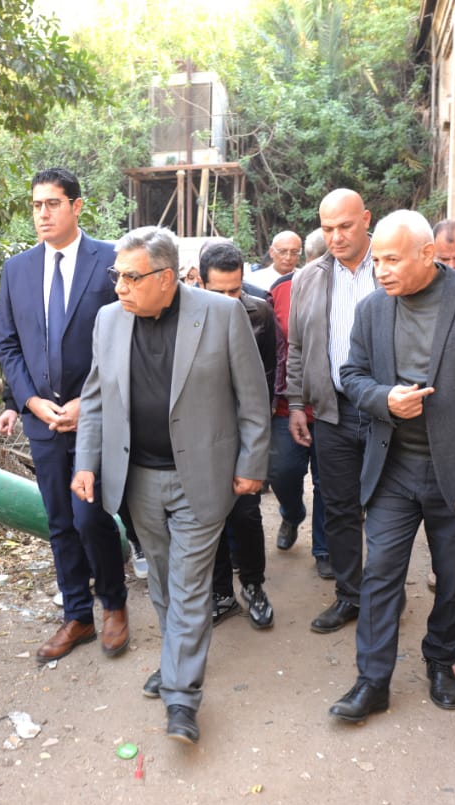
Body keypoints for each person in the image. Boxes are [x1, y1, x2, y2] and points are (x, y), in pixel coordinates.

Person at [72, 226, 271, 744]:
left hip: (201, 476)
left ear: (165, 278)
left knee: (188, 583)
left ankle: (181, 695)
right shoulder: (108, 320)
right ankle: (174, 659)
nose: (120, 286)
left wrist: (253, 462)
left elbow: (253, 398)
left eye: (131, 277)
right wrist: (86, 462)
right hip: (136, 477)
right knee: (160, 579)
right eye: (117, 275)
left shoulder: (221, 314)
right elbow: (95, 398)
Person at [329, 210, 455, 722]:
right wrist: (384, 398)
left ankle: (441, 660)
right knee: (380, 574)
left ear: (426, 254)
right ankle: (372, 681)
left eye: (392, 260)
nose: (381, 271)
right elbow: (351, 374)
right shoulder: (372, 309)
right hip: (394, 469)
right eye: (377, 260)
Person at [0, 167, 129, 664]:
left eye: (52, 203)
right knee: (59, 521)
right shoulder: (17, 270)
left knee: (91, 515)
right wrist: (28, 401)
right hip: (43, 419)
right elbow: (8, 345)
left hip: (95, 416)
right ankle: (78, 615)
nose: (42, 214)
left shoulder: (111, 261)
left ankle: (114, 604)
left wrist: (87, 403)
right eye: (36, 205)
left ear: (76, 206)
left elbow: (128, 340)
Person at [286, 188, 377, 634]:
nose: (336, 237)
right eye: (327, 228)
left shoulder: (391, 266)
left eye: (345, 226)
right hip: (332, 412)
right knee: (339, 508)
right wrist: (297, 403)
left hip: (387, 414)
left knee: (388, 509)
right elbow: (297, 347)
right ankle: (350, 595)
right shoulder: (309, 277)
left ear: (366, 219)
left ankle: (383, 594)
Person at [199, 240, 277, 628]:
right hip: (199, 434)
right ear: (200, 283)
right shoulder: (182, 314)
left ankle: (253, 585)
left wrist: (257, 444)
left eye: (236, 290)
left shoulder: (260, 311)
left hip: (242, 430)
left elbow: (265, 382)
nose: (230, 301)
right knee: (207, 516)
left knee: (246, 513)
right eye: (220, 292)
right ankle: (220, 594)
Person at [269, 239, 330, 579]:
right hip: (286, 406)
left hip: (332, 408)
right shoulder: (280, 290)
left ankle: (324, 548)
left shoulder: (351, 292)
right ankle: (292, 515)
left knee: (328, 482)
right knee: (283, 472)